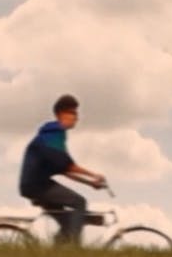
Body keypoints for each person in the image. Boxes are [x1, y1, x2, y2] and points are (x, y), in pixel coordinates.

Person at [17, 94, 108, 246]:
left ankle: (57, 252)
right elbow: (68, 166)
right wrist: (94, 175)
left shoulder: (53, 134)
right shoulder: (53, 133)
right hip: (37, 186)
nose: (76, 117)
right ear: (61, 114)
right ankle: (74, 249)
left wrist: (90, 183)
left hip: (35, 185)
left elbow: (64, 170)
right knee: (80, 203)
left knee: (68, 222)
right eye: (73, 113)